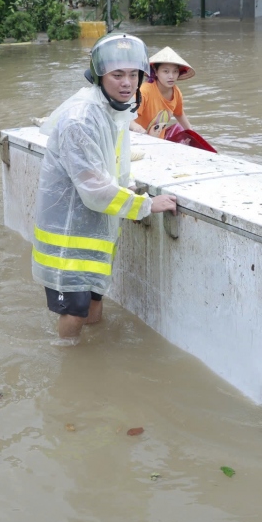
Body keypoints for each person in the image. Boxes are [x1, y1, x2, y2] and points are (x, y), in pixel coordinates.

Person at [32, 33, 177, 343]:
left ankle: (94, 358)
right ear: (99, 76)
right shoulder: (80, 119)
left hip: (97, 233)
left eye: (133, 74)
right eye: (117, 75)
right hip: (68, 235)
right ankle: (69, 364)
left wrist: (129, 189)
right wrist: (146, 205)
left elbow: (113, 167)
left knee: (95, 298)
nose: (127, 83)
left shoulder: (115, 111)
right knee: (74, 309)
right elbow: (94, 188)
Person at [131, 47, 196, 138]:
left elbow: (179, 114)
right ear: (156, 71)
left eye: (175, 71)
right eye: (166, 71)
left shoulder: (176, 92)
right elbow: (125, 118)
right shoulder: (144, 91)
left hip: (158, 141)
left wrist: (191, 133)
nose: (171, 76)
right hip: (137, 139)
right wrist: (137, 128)